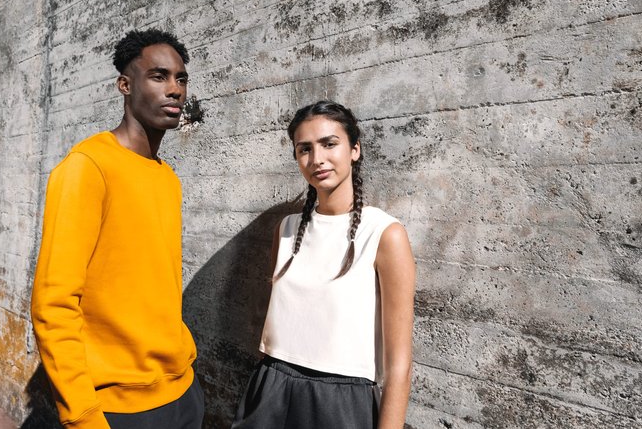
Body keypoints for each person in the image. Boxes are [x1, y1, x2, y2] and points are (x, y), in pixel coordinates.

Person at [31, 29, 204, 429]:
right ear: (125, 85)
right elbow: (53, 303)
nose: (175, 89)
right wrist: (82, 414)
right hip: (119, 409)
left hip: (182, 392)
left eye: (180, 79)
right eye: (158, 76)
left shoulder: (167, 178)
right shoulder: (87, 167)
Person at [232, 100, 416, 429]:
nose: (317, 159)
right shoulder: (287, 230)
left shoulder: (384, 233)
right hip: (270, 387)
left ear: (355, 150)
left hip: (340, 402)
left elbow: (399, 367)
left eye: (329, 144)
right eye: (305, 149)